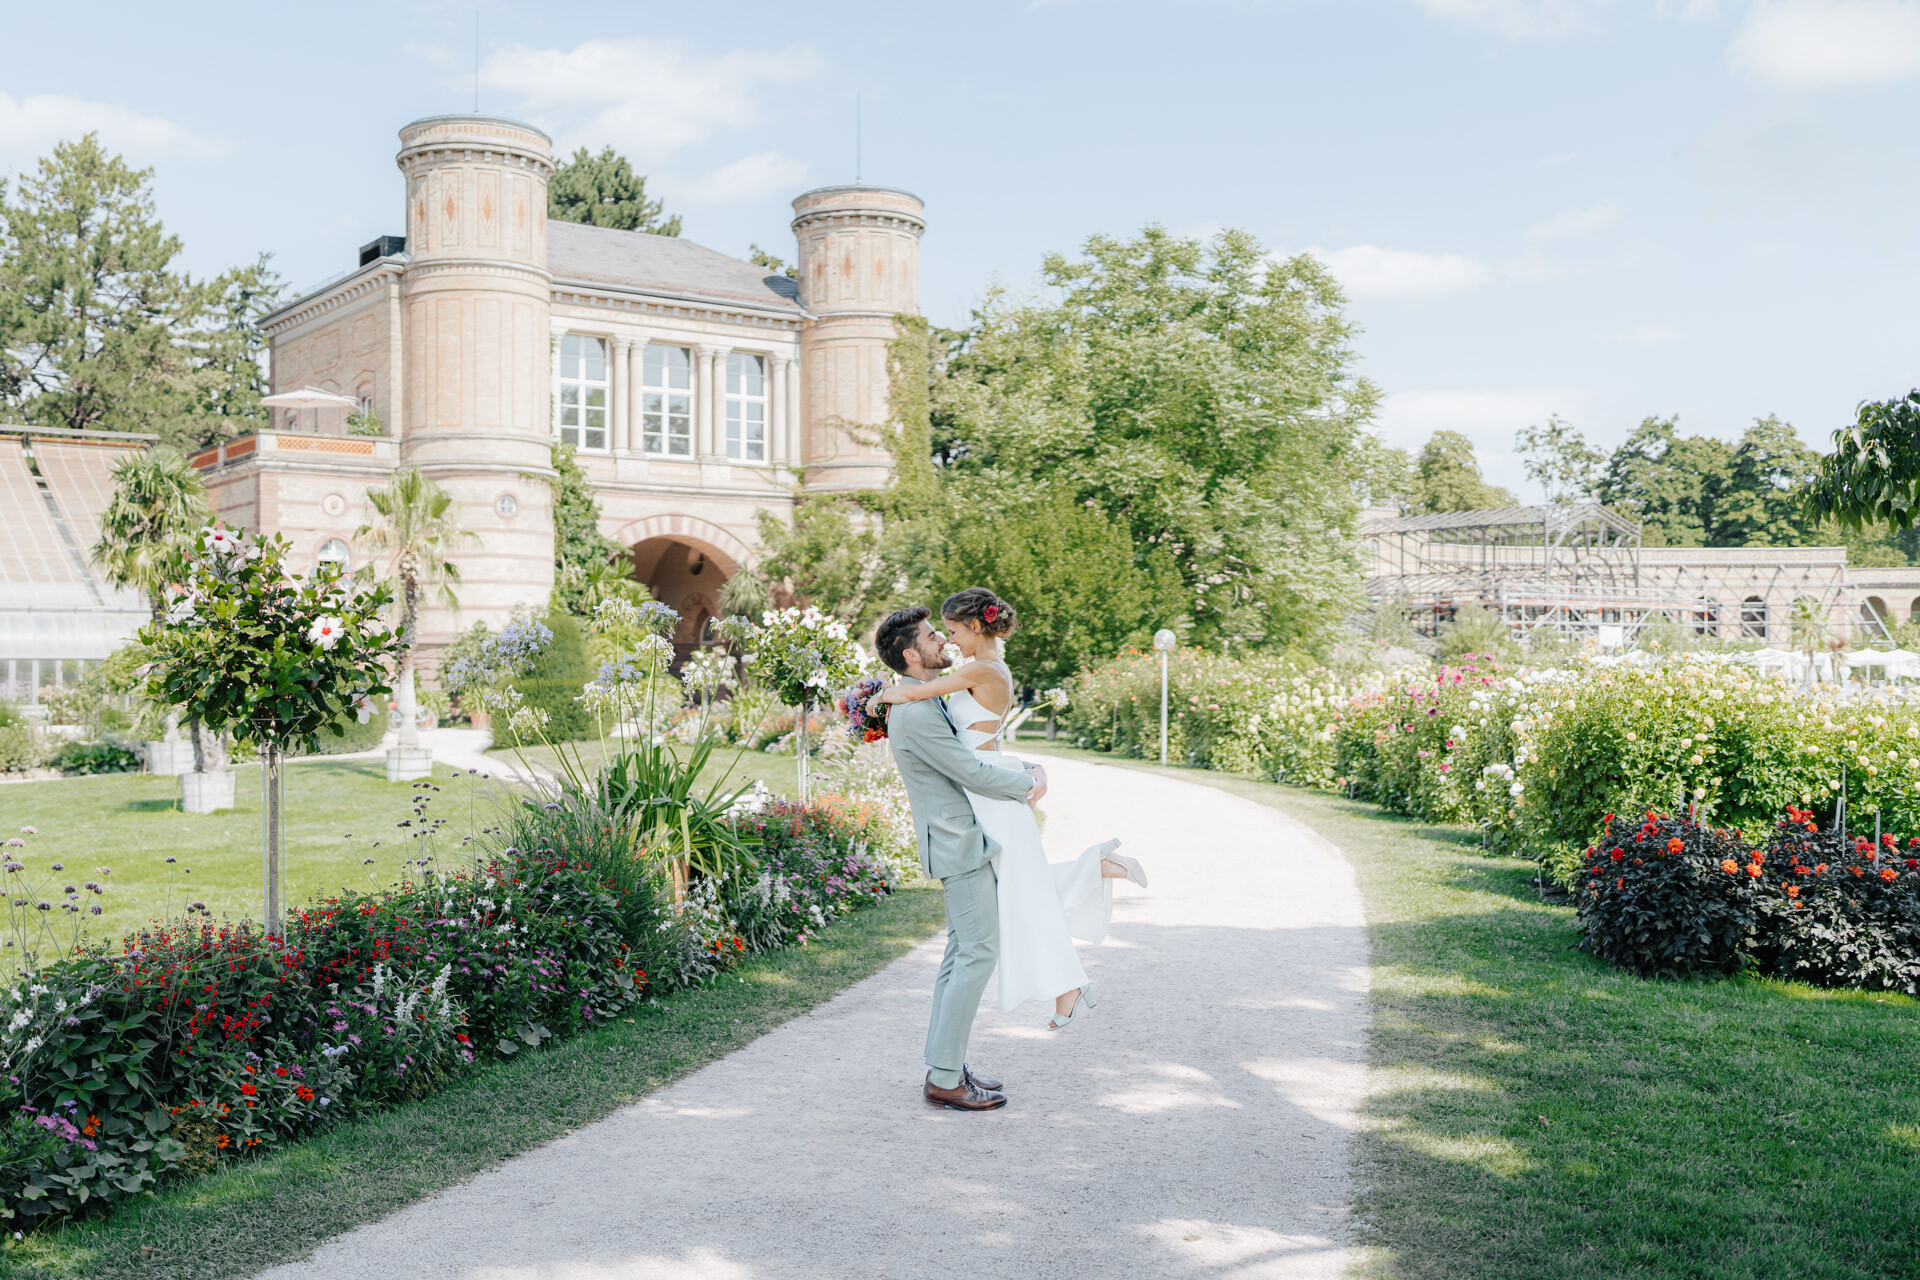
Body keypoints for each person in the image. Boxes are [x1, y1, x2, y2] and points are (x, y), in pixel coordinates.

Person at [874, 588, 1148, 1030]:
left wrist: (876, 699)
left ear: (975, 626)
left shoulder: (981, 669)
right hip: (988, 784)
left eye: (953, 631)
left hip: (991, 791)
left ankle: (1074, 958)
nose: (949, 640)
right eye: (942, 633)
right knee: (1019, 888)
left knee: (1019, 890)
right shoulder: (981, 667)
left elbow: (918, 695)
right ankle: (1071, 973)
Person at [874, 604, 1046, 1112]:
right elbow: (969, 772)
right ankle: (946, 1079)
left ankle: (944, 1065)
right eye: (933, 636)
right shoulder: (916, 712)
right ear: (912, 655)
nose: (942, 642)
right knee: (977, 954)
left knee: (961, 955)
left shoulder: (925, 700)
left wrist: (1024, 765)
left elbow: (975, 751)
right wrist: (1028, 783)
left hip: (962, 840)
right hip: (958, 843)